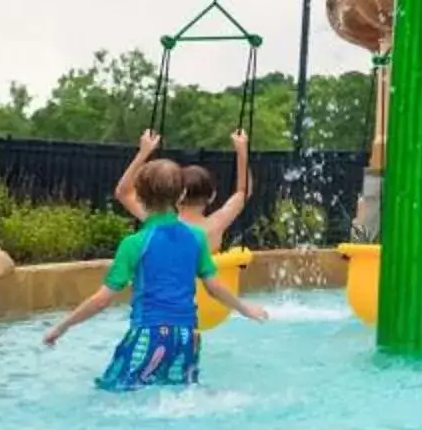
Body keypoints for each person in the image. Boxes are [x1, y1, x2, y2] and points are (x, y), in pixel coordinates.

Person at [41, 159, 266, 385]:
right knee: (178, 397)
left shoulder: (135, 243)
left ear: (139, 196)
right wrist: (246, 309)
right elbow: (214, 287)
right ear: (181, 195)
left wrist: (62, 327)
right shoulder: (196, 238)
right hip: (188, 338)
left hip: (149, 335)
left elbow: (102, 300)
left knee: (114, 390)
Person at [114, 128, 251, 247]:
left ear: (178, 194)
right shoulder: (215, 225)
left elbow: (123, 192)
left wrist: (143, 153)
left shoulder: (159, 222)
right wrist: (242, 152)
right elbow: (242, 192)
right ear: (212, 196)